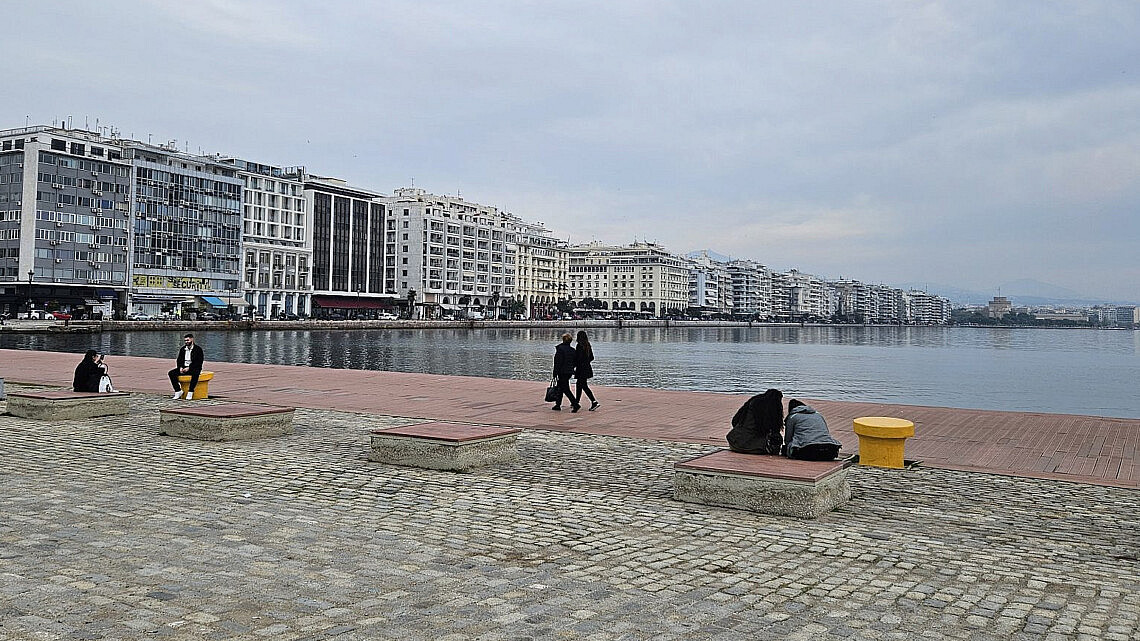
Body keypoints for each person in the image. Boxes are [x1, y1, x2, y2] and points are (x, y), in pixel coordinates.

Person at [726, 388, 784, 455]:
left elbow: (734, 421)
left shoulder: (750, 405)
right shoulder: (772, 412)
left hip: (734, 443)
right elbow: (775, 432)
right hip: (756, 448)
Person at [168, 333, 204, 400]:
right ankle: (178, 390)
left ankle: (190, 391)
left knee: (195, 374)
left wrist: (189, 368)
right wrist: (180, 367)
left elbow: (199, 362)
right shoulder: (182, 349)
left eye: (187, 340)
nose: (186, 342)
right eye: (185, 341)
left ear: (192, 339)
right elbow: (179, 360)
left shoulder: (198, 349)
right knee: (171, 373)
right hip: (184, 367)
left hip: (194, 368)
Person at [551, 332, 581, 412]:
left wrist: (555, 372)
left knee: (565, 389)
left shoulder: (560, 349)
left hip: (562, 371)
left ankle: (575, 404)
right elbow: (575, 361)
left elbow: (557, 362)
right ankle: (558, 405)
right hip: (569, 372)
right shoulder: (572, 350)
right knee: (561, 387)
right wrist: (571, 368)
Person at [574, 330, 600, 411]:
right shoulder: (588, 345)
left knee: (583, 386)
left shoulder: (579, 346)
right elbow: (592, 357)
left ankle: (594, 401)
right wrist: (586, 362)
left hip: (581, 369)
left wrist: (574, 365)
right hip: (587, 368)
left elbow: (578, 358)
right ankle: (576, 401)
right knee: (579, 384)